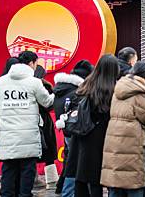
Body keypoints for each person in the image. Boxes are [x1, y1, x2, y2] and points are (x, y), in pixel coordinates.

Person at [0, 51, 55, 197]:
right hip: (28, 138)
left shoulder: (1, 82)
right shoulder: (34, 82)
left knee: (8, 173)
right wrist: (58, 93)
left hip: (8, 139)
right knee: (26, 177)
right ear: (31, 63)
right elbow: (47, 102)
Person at [101, 61, 145, 196]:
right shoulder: (139, 92)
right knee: (133, 183)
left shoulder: (119, 88)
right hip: (131, 142)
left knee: (115, 181)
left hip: (114, 139)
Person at [73, 54, 119, 197]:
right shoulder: (115, 89)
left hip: (86, 136)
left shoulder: (87, 84)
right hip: (107, 136)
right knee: (104, 176)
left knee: (86, 176)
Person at [54, 59, 94, 196]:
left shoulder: (61, 89)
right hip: (77, 133)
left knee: (70, 161)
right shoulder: (77, 92)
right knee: (76, 164)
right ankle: (70, 192)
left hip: (66, 132)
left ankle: (63, 188)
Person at [33, 65, 59, 189]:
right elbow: (50, 105)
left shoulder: (26, 85)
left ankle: (33, 179)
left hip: (31, 120)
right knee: (49, 151)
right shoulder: (46, 86)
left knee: (31, 153)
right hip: (44, 120)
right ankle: (52, 180)